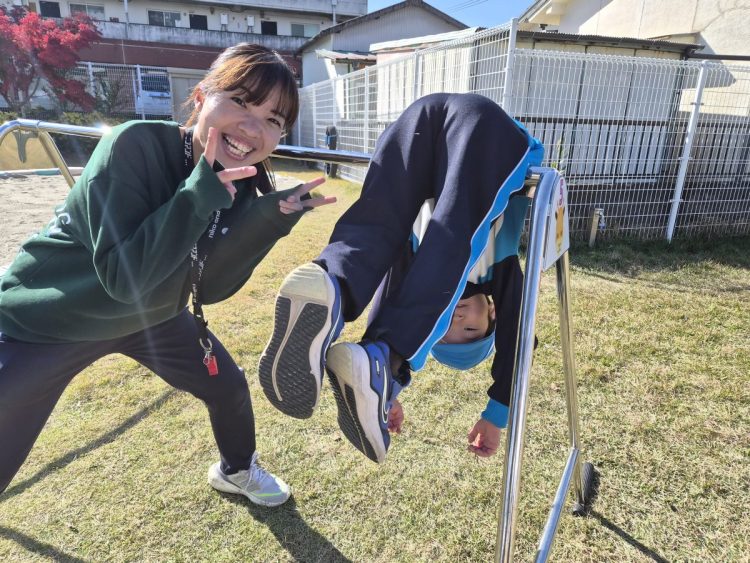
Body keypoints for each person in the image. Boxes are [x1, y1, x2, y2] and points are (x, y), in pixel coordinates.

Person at [0, 43, 335, 505]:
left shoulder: (239, 180)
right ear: (200, 96)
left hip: (153, 315)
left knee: (228, 387)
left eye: (274, 119)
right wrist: (197, 196)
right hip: (52, 318)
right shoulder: (133, 145)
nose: (253, 127)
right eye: (240, 100)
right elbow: (124, 279)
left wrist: (265, 220)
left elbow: (209, 287)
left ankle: (237, 470)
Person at [258, 92, 544, 464]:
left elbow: (391, 292)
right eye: (471, 330)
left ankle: (331, 284)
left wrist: (380, 382)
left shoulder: (420, 270)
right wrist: (496, 413)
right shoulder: (499, 269)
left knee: (379, 219)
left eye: (445, 334)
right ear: (493, 313)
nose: (455, 322)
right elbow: (518, 337)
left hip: (418, 118)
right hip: (488, 131)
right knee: (453, 235)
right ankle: (386, 366)